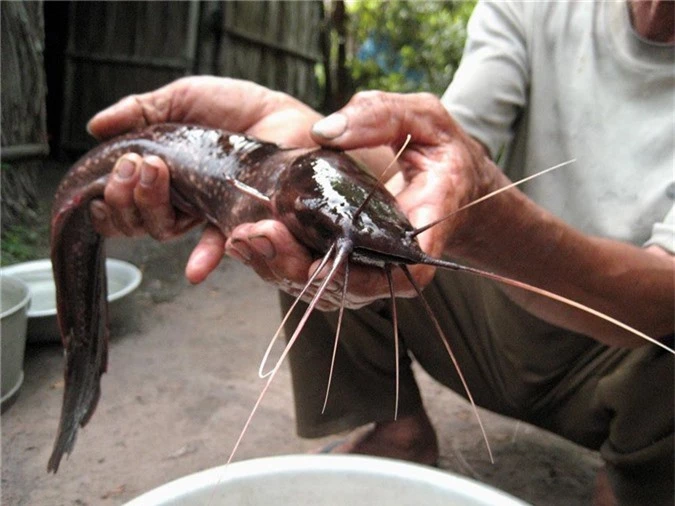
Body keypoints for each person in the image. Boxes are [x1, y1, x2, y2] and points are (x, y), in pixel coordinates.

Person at [86, 1, 673, 504]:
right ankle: (395, 430)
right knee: (304, 246)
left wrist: (492, 224)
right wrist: (309, 132)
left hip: (626, 362)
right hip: (487, 306)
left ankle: (632, 486)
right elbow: (435, 159)